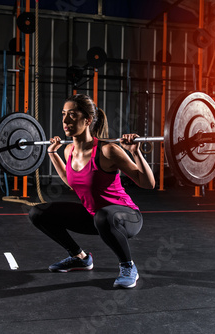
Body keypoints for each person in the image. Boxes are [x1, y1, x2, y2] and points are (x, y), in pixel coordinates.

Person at [28, 94, 155, 289]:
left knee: (103, 216)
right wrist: (52, 154)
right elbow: (72, 181)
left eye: (72, 115)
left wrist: (135, 151)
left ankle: (128, 267)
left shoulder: (107, 151)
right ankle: (79, 257)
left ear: (87, 120)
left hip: (126, 217)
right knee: (38, 212)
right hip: (95, 217)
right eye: (63, 114)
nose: (65, 120)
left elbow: (147, 183)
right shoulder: (68, 151)